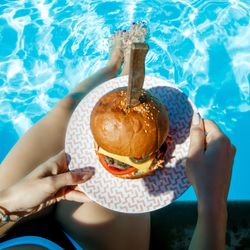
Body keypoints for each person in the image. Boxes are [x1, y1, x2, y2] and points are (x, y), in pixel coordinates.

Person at [0, 22, 236, 249]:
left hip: (6, 223)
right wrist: (213, 205)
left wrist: (8, 206)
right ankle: (124, 70)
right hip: (83, 245)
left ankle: (113, 64)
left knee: (70, 106)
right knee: (124, 189)